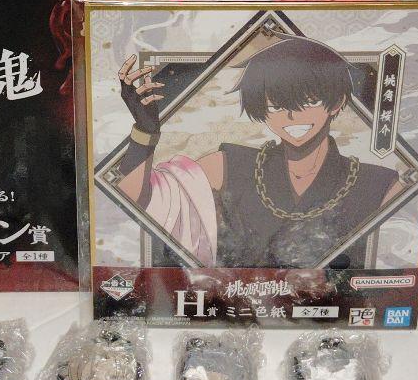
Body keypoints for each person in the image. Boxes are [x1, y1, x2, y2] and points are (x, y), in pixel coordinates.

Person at [116, 36, 403, 268]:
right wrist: (145, 131)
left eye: (308, 102)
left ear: (337, 102)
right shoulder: (231, 165)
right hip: (231, 306)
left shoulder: (378, 184)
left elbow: (399, 259)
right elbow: (134, 199)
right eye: (276, 106)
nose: (291, 116)